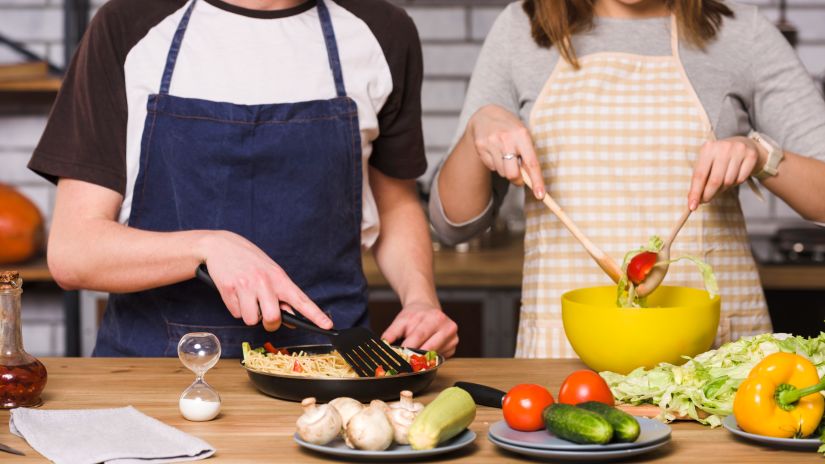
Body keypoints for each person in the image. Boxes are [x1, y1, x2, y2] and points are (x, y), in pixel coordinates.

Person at [29, 0, 458, 358]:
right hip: (153, 368)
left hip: (330, 365)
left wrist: (421, 299)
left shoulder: (383, 32)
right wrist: (207, 247)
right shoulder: (128, 25)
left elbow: (395, 203)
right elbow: (74, 251)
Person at [431, 0, 825, 358]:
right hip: (565, 356)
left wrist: (759, 155)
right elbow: (453, 224)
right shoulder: (522, 28)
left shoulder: (741, 32)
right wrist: (477, 128)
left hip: (710, 358)